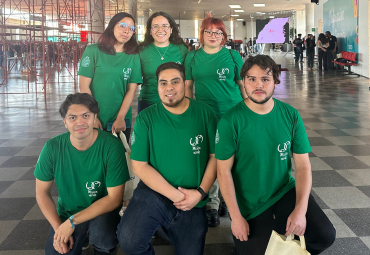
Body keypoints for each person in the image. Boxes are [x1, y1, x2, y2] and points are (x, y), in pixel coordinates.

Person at [216, 55, 336, 255]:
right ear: (243, 81)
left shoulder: (290, 115)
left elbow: (304, 166)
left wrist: (300, 210)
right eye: (251, 79)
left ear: (275, 82)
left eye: (265, 79)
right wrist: (235, 218)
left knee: (325, 235)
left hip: (284, 192)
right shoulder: (230, 121)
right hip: (251, 204)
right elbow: (223, 171)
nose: (258, 85)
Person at [117, 62, 218, 255]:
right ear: (157, 87)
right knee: (130, 240)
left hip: (194, 195)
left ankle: (166, 225)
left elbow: (215, 158)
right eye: (163, 83)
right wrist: (176, 196)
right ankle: (162, 222)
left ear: (185, 84)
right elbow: (139, 165)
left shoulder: (205, 113)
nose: (169, 87)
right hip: (154, 193)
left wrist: (200, 192)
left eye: (175, 82)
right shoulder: (147, 117)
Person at [35, 93, 130, 255]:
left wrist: (72, 222)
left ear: (94, 117)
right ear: (65, 122)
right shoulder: (52, 147)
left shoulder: (111, 146)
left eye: (85, 116)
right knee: (57, 251)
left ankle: (102, 247)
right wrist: (60, 229)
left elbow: (114, 199)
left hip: (103, 211)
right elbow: (41, 193)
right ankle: (81, 235)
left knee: (103, 237)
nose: (80, 122)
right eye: (72, 117)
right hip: (68, 211)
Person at [184, 15, 247, 227]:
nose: (213, 36)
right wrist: (188, 112)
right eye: (208, 32)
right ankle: (212, 202)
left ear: (224, 36)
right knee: (210, 158)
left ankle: (228, 200)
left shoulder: (232, 56)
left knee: (232, 158)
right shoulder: (192, 58)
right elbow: (187, 88)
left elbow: (242, 85)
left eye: (218, 32)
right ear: (201, 34)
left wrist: (250, 112)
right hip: (205, 114)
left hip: (233, 113)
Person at [79, 12, 142, 140]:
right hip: (94, 117)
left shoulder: (133, 56)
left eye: (131, 29)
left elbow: (131, 90)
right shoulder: (93, 51)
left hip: (121, 119)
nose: (126, 31)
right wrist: (93, 116)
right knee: (96, 157)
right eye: (122, 26)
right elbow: (84, 86)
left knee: (119, 157)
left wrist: (120, 118)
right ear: (112, 26)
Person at [138, 11, 189, 113]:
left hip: (175, 102)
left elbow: (187, 80)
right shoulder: (142, 50)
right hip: (148, 102)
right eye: (155, 26)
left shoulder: (181, 49)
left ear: (171, 29)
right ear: (150, 31)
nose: (160, 30)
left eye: (165, 26)